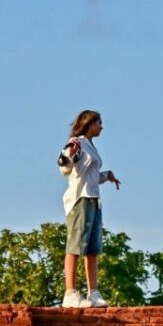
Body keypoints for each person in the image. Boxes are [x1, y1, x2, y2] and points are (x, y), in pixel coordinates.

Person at [58, 109, 121, 308]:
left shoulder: (91, 146)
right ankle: (70, 292)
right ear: (90, 123)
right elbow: (64, 166)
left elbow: (90, 176)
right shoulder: (78, 142)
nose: (101, 127)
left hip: (94, 199)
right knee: (75, 245)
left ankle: (93, 292)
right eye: (99, 122)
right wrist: (72, 155)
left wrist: (106, 176)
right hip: (80, 199)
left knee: (92, 249)